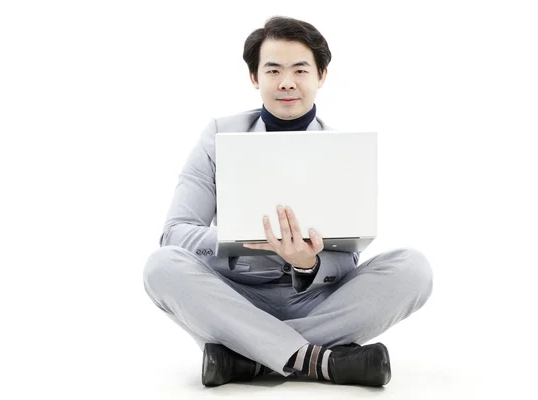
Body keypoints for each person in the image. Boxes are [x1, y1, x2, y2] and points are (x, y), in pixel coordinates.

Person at [143, 16, 433, 388]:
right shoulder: (218, 137)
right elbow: (174, 234)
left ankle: (248, 357)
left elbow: (347, 260)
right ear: (254, 78)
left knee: (414, 269)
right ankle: (318, 360)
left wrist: (308, 263)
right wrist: (239, 240)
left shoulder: (343, 151)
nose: (286, 83)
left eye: (300, 70)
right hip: (234, 297)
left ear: (321, 76)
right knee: (160, 267)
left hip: (316, 302)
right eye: (273, 70)